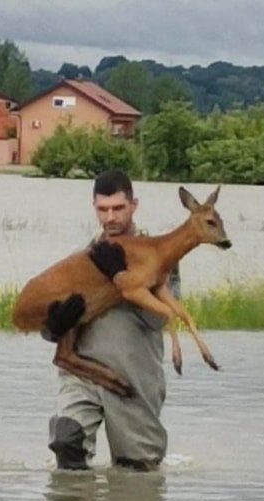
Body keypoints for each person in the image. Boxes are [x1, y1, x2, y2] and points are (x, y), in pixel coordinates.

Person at [47, 169, 179, 472]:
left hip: (134, 379)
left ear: (134, 205)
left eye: (118, 208)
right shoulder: (80, 260)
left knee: (137, 473)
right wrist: (53, 327)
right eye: (103, 210)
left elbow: (160, 320)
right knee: (67, 443)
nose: (110, 218)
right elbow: (51, 330)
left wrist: (120, 278)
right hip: (83, 374)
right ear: (94, 207)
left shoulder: (160, 259)